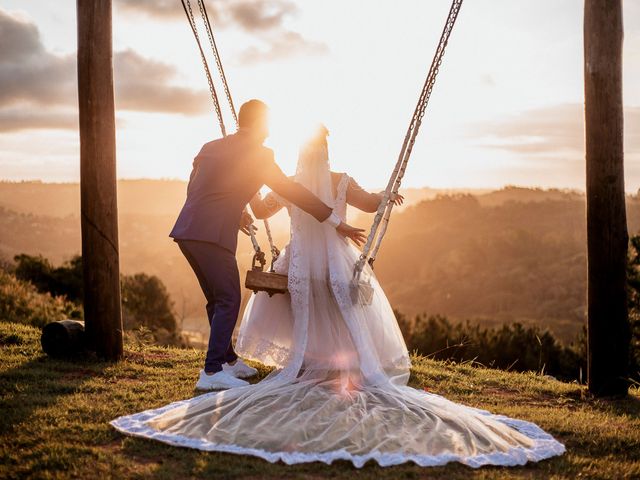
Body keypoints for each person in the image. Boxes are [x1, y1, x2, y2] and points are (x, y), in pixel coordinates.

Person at [111, 125, 565, 468]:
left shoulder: (289, 179)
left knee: (300, 307)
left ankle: (307, 362)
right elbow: (368, 204)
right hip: (335, 259)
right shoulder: (342, 179)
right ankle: (349, 365)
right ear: (326, 151)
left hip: (300, 262)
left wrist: (245, 207)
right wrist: (388, 194)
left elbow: (266, 206)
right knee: (345, 308)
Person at [168, 101, 366, 390]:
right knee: (228, 299)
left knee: (216, 298)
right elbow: (293, 191)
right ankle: (211, 372)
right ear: (261, 123)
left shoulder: (210, 146)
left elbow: (199, 190)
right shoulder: (261, 154)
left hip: (187, 231)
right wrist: (336, 221)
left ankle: (228, 361)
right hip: (212, 236)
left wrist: (235, 212)